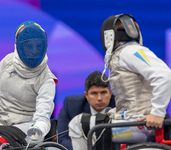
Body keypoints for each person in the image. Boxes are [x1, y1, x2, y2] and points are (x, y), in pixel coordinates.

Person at [0, 21, 58, 150]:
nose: (34, 51)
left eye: (38, 46)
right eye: (29, 46)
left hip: (30, 127)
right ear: (19, 46)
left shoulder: (47, 79)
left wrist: (38, 129)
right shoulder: (8, 61)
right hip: (2, 123)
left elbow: (43, 117)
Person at [100, 13, 171, 143]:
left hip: (141, 126)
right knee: (101, 119)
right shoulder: (126, 52)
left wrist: (157, 113)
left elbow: (164, 75)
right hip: (136, 122)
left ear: (108, 37)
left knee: (82, 124)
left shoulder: (130, 51)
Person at [57, 71, 115, 150]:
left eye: (103, 92)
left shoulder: (120, 105)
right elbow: (62, 138)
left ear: (110, 93)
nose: (99, 98)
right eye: (94, 93)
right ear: (86, 95)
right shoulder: (71, 105)